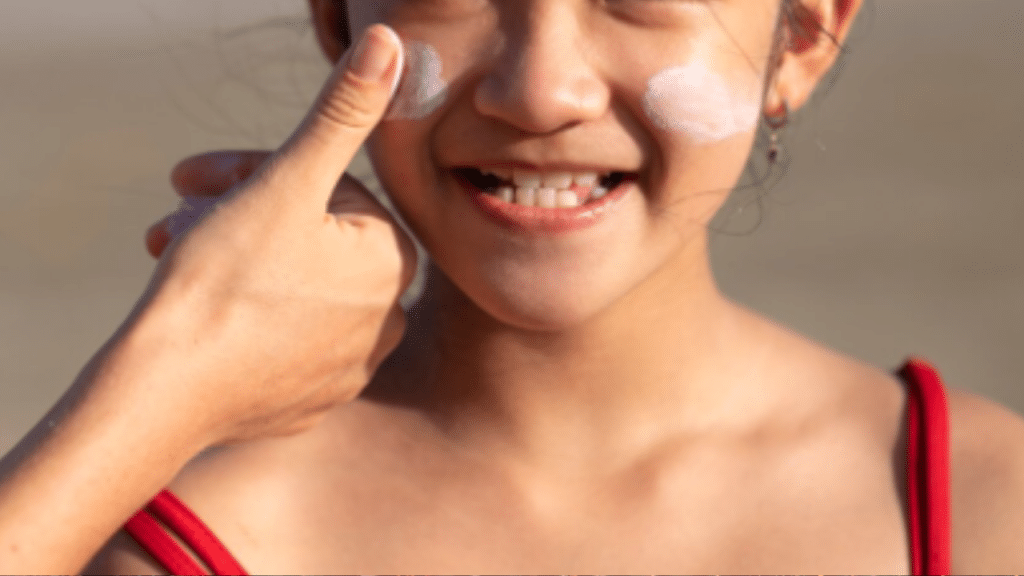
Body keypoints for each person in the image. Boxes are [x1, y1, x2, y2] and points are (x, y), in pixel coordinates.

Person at [2, 0, 1024, 573]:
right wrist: (164, 377)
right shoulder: (189, 544)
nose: (539, 89)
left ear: (801, 37)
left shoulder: (980, 511)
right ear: (336, 18)